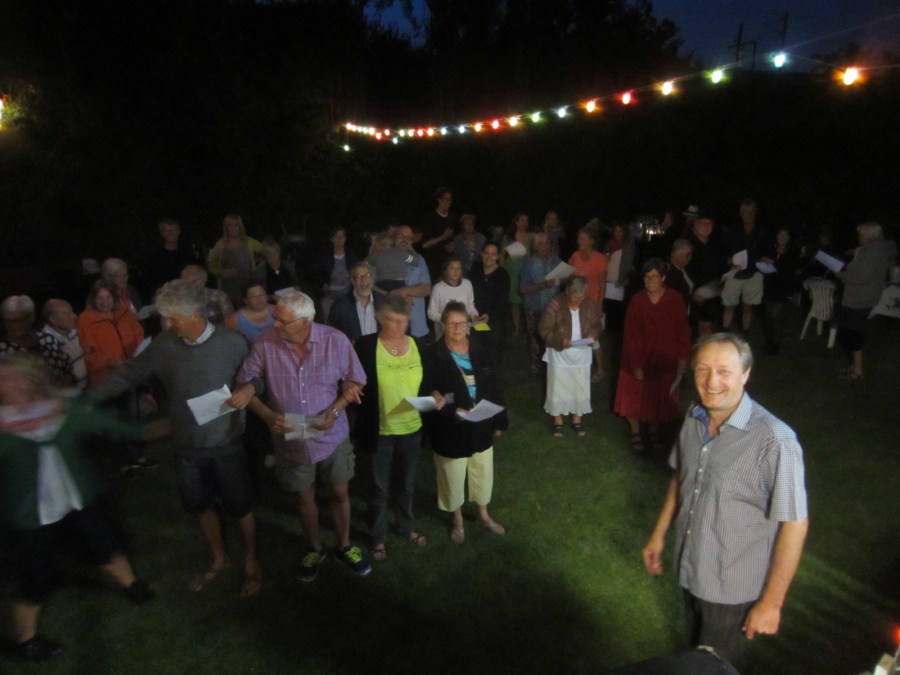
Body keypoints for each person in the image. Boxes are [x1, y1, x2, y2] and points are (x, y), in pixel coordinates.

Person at [641, 333, 809, 670]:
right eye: (702, 369)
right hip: (692, 567)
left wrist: (772, 603)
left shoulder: (776, 442)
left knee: (715, 666)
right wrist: (658, 535)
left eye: (724, 371)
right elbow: (682, 477)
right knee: (693, 657)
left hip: (731, 588)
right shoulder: (695, 416)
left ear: (746, 374)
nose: (711, 381)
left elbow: (794, 523)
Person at [90, 280, 262, 597]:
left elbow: (257, 376)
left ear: (196, 314)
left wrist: (251, 389)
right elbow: (128, 373)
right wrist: (89, 399)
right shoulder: (164, 345)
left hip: (227, 444)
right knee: (200, 506)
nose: (168, 324)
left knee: (240, 507)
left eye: (173, 318)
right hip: (186, 447)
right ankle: (219, 558)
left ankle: (251, 560)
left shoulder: (233, 342)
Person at [0, 354, 154, 662]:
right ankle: (27, 641)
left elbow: (117, 426)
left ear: (30, 379)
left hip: (75, 500)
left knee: (104, 543)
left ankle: (131, 585)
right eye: (1, 380)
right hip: (31, 516)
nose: (5, 385)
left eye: (11, 377)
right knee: (36, 577)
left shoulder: (60, 411)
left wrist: (180, 426)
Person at [234, 290, 372, 580]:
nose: (275, 325)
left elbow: (356, 379)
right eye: (275, 318)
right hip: (291, 438)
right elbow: (245, 382)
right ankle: (315, 548)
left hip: (331, 434)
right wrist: (268, 415)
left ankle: (345, 545)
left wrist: (336, 409)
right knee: (303, 494)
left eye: (282, 321)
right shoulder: (266, 342)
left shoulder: (335, 340)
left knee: (339, 491)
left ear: (305, 322)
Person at [423, 301, 508, 543]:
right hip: (450, 427)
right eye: (452, 323)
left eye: (462, 322)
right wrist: (450, 408)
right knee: (452, 474)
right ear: (443, 325)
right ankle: (457, 519)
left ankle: (482, 514)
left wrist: (499, 420)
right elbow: (427, 390)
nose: (458, 328)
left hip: (481, 421)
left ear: (468, 324)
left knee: (482, 470)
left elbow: (494, 384)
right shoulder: (433, 355)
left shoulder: (481, 348)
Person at [353, 296, 428, 560]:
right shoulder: (366, 346)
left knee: (406, 485)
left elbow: (427, 382)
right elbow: (354, 380)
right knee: (378, 488)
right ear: (381, 319)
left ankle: (406, 527)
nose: (399, 326)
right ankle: (378, 537)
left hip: (411, 428)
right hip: (380, 431)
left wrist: (435, 396)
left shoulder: (417, 344)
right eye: (393, 321)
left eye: (404, 321)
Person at [613, 259, 691, 453]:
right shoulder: (637, 301)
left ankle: (654, 430)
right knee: (634, 397)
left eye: (655, 277)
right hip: (639, 358)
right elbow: (631, 335)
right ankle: (636, 431)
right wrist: (637, 365)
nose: (650, 281)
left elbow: (682, 331)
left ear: (663, 278)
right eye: (647, 277)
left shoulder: (674, 299)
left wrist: (682, 359)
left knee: (658, 398)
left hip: (664, 359)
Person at [538, 276, 601, 438]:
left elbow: (597, 324)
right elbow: (544, 329)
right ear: (567, 292)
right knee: (558, 386)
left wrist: (592, 334)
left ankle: (577, 418)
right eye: (576, 297)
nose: (579, 300)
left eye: (582, 296)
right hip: (560, 353)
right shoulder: (555, 304)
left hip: (581, 352)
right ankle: (558, 420)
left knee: (579, 386)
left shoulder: (589, 304)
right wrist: (560, 340)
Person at [834, 222, 897, 379]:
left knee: (850, 332)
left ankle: (858, 370)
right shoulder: (877, 249)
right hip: (864, 296)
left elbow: (859, 277)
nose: (858, 237)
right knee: (850, 330)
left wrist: (839, 273)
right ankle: (854, 366)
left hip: (859, 298)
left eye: (860, 234)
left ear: (869, 236)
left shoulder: (872, 252)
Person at [77, 280, 145, 388]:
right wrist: (110, 363)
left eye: (108, 297)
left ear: (114, 298)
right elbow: (88, 353)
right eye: (99, 298)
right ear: (93, 299)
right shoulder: (85, 320)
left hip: (133, 371)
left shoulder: (124, 313)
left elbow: (139, 334)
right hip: (106, 380)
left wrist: (139, 354)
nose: (104, 302)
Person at [1, 295, 73, 387]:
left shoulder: (49, 341)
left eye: (18, 320)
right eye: (8, 321)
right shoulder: (2, 350)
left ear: (31, 317)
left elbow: (67, 372)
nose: (13, 325)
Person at [721, 199, 767, 335]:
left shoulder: (762, 231)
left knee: (748, 306)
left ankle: (745, 333)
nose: (749, 215)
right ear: (741, 213)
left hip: (753, 273)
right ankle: (725, 333)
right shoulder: (732, 230)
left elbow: (767, 249)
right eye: (746, 212)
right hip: (734, 273)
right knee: (729, 305)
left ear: (755, 213)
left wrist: (766, 258)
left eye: (752, 212)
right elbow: (724, 249)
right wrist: (729, 259)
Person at [568, 227, 608, 382]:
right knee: (577, 334)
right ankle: (578, 366)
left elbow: (603, 284)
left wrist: (599, 305)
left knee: (592, 336)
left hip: (592, 303)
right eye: (579, 238)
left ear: (591, 241)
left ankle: (600, 369)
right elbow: (569, 276)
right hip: (576, 302)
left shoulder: (600, 259)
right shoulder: (575, 256)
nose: (579, 241)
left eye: (583, 239)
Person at [520, 232, 561, 373]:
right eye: (541, 244)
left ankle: (551, 362)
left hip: (553, 307)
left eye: (547, 243)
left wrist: (563, 279)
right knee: (534, 337)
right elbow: (523, 288)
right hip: (534, 306)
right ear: (535, 246)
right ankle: (536, 364)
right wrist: (542, 285)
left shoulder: (555, 260)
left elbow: (565, 278)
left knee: (552, 335)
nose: (544, 246)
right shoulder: (529, 263)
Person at [208, 213, 264, 307]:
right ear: (226, 228)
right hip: (227, 289)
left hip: (248, 287)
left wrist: (260, 267)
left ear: (240, 227)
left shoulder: (250, 242)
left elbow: (267, 252)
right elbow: (211, 267)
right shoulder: (220, 245)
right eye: (230, 225)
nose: (233, 228)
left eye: (236, 225)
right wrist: (221, 273)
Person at [387, 225, 432, 343]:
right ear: (394, 238)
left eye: (408, 237)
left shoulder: (419, 260)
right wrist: (413, 291)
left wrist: (404, 291)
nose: (404, 239)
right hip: (392, 326)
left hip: (416, 325)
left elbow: (427, 289)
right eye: (400, 236)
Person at [468, 242, 510, 365]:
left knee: (492, 354)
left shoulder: (503, 275)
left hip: (495, 320)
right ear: (481, 254)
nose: (489, 257)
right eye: (486, 253)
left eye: (493, 254)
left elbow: (503, 301)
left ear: (498, 256)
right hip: (475, 316)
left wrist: (489, 315)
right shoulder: (475, 268)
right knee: (475, 351)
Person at [760, 228, 799, 355]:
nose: (782, 237)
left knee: (774, 317)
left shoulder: (791, 252)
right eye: (780, 234)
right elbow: (763, 261)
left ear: (788, 238)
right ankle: (769, 342)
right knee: (768, 317)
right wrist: (763, 261)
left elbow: (788, 270)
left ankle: (775, 344)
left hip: (782, 289)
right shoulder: (771, 249)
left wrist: (774, 262)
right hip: (769, 286)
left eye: (785, 235)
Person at [685, 216, 726, 338]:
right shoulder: (687, 243)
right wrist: (695, 291)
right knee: (689, 328)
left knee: (707, 326)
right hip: (691, 293)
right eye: (702, 223)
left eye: (709, 223)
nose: (706, 226)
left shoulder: (716, 245)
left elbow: (721, 268)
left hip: (710, 292)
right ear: (695, 225)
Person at [142, 217, 200, 299]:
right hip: (164, 296)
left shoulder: (187, 253)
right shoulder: (154, 256)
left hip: (185, 295)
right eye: (168, 231)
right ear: (162, 233)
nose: (171, 233)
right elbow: (150, 280)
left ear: (179, 231)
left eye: (174, 230)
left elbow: (196, 273)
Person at [427, 257, 485, 339]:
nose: (456, 271)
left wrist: (475, 316)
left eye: (458, 268)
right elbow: (430, 312)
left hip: (464, 331)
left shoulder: (467, 284)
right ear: (445, 270)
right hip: (444, 333)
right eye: (452, 268)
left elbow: (470, 306)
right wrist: (447, 320)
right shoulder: (438, 288)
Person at [39, 299, 87, 390]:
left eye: (72, 312)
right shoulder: (45, 343)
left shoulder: (76, 333)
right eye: (67, 314)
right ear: (53, 319)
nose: (75, 316)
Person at [328, 261, 381, 342]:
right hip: (352, 349)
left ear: (373, 279)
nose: (364, 280)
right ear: (352, 281)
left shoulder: (384, 301)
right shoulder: (340, 305)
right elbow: (332, 334)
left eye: (368, 275)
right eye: (359, 276)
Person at [501, 212, 533, 339]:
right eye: (522, 220)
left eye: (526, 221)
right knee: (514, 301)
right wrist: (501, 272)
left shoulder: (531, 237)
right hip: (512, 270)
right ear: (516, 222)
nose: (524, 223)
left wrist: (530, 256)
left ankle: (528, 328)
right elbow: (502, 255)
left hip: (526, 270)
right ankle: (517, 329)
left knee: (527, 300)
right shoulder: (509, 236)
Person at [603, 222, 636, 336]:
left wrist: (621, 280)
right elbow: (603, 259)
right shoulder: (609, 244)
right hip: (608, 280)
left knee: (617, 308)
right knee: (608, 307)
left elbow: (628, 265)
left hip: (618, 281)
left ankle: (615, 334)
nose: (617, 233)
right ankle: (608, 331)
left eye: (620, 231)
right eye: (616, 231)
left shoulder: (627, 246)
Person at [316, 227, 355, 322]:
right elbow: (317, 273)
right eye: (337, 236)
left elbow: (356, 270)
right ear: (332, 239)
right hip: (330, 295)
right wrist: (322, 283)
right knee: (329, 321)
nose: (340, 239)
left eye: (342, 236)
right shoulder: (324, 255)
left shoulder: (350, 254)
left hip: (347, 293)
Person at [420, 187, 455, 280]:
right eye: (447, 199)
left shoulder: (451, 217)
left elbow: (451, 237)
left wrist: (453, 246)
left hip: (447, 261)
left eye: (450, 199)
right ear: (439, 200)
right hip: (433, 262)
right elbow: (425, 244)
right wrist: (443, 237)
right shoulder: (430, 217)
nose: (449, 202)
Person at [664, 239, 694, 310]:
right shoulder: (668, 272)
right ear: (676, 254)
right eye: (687, 255)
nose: (690, 258)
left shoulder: (685, 270)